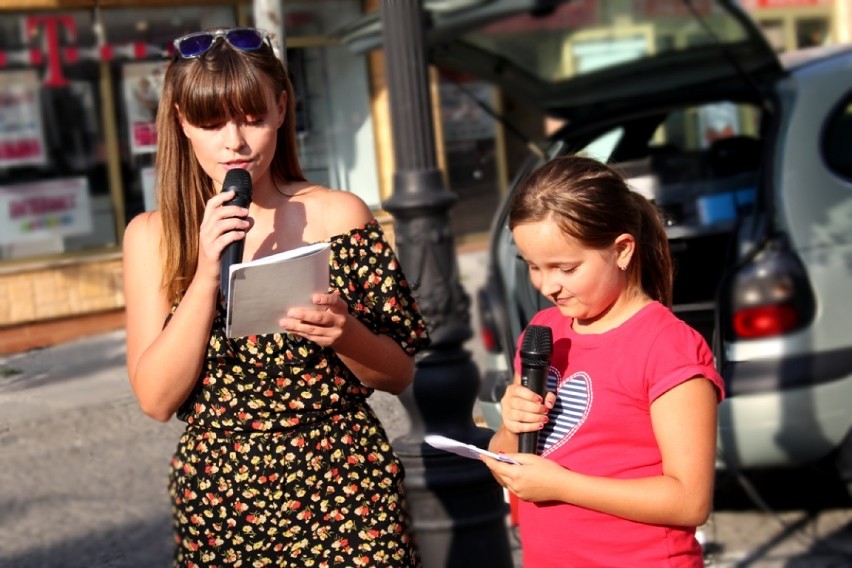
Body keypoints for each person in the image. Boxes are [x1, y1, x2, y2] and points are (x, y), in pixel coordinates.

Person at [122, 27, 429, 567]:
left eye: (252, 117)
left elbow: (399, 374)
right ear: (181, 122)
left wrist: (346, 333)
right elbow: (156, 399)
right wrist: (205, 277)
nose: (234, 142)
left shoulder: (339, 215)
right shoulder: (153, 236)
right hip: (222, 500)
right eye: (211, 122)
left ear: (282, 109)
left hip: (345, 484)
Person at [482, 155, 725, 567]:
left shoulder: (667, 347)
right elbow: (511, 463)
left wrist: (562, 485)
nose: (547, 286)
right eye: (533, 267)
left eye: (566, 268)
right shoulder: (544, 331)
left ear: (623, 250)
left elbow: (689, 500)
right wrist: (510, 425)